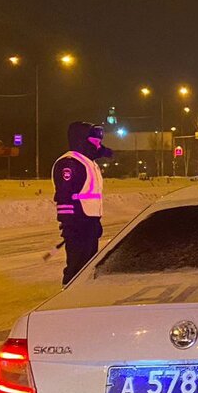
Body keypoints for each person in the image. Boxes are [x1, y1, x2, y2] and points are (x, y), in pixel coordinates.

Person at [53, 121, 112, 285]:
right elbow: (64, 195)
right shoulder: (70, 163)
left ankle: (84, 291)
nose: (98, 144)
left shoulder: (89, 162)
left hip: (89, 220)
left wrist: (94, 221)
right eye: (94, 140)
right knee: (77, 264)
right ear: (81, 139)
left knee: (89, 263)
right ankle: (69, 293)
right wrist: (69, 223)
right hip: (77, 221)